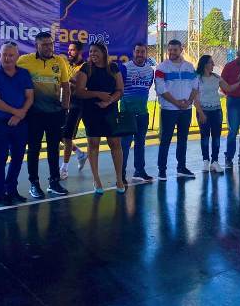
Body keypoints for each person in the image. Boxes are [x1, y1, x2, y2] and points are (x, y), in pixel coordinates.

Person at [17, 31, 70, 198]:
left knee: (54, 149)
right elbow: (8, 72)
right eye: (44, 44)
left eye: (50, 44)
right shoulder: (24, 60)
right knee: (34, 149)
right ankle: (34, 183)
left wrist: (65, 110)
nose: (49, 47)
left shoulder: (59, 61)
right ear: (36, 46)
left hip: (54, 114)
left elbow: (66, 87)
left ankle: (54, 182)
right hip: (33, 114)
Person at [0, 42, 34, 205]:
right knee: (0, 158)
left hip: (20, 123)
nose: (7, 58)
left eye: (11, 55)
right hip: (0, 122)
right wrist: (17, 112)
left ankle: (11, 189)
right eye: (4, 54)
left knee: (18, 157)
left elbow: (30, 97)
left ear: (17, 56)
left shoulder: (24, 74)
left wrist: (21, 114)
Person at [75, 42, 125, 194]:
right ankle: (96, 180)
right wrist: (97, 94)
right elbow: (79, 92)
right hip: (91, 111)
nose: (92, 54)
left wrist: (108, 101)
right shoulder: (86, 68)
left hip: (110, 110)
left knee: (115, 143)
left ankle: (119, 179)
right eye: (90, 51)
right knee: (93, 144)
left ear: (104, 52)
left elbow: (120, 90)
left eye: (95, 51)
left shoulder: (113, 68)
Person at [155, 40, 199, 180]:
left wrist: (189, 102)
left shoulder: (189, 67)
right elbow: (161, 89)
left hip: (186, 110)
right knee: (165, 140)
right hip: (169, 110)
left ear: (181, 50)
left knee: (183, 139)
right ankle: (162, 170)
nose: (172, 52)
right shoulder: (162, 68)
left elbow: (195, 86)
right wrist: (176, 103)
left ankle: (181, 168)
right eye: (170, 50)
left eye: (175, 50)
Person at [194, 55, 240, 173]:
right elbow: (195, 98)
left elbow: (228, 88)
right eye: (211, 63)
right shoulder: (197, 78)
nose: (213, 65)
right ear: (205, 64)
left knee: (216, 137)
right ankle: (206, 161)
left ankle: (215, 162)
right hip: (203, 111)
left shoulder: (216, 77)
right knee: (205, 136)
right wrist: (201, 112)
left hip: (216, 111)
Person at [119, 43, 155, 183]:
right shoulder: (125, 68)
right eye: (137, 51)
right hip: (127, 114)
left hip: (143, 114)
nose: (140, 54)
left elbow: (147, 87)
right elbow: (119, 88)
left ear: (146, 53)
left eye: (142, 52)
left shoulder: (150, 70)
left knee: (140, 144)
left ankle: (139, 171)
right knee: (125, 145)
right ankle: (121, 174)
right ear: (133, 52)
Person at [60, 41, 88, 179]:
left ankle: (64, 169)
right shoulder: (67, 65)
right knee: (59, 134)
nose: (69, 52)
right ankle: (79, 153)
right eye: (69, 50)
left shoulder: (85, 66)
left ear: (79, 52)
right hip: (65, 102)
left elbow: (78, 84)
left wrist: (65, 79)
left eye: (72, 50)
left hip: (77, 104)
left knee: (67, 136)